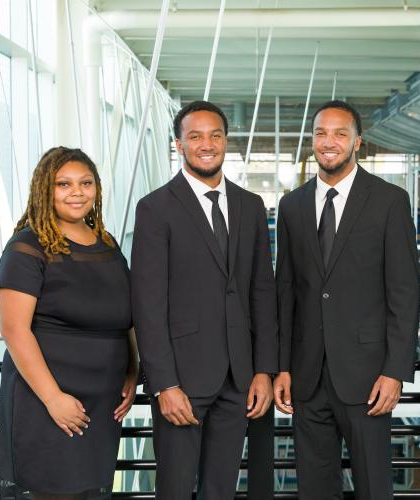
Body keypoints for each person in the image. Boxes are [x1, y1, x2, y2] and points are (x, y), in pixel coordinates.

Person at [131, 100, 278, 500]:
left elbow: (262, 292)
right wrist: (163, 384)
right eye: (195, 136)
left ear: (226, 141)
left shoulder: (250, 206)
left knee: (222, 489)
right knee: (176, 489)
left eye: (215, 135)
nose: (206, 144)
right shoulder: (155, 209)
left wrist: (264, 369)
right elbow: (147, 304)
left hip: (239, 379)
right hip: (182, 378)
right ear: (180, 145)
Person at [273, 100, 420, 500]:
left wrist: (396, 371)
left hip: (369, 377)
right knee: (315, 488)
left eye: (340, 133)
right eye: (321, 133)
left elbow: (405, 292)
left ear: (358, 142)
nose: (329, 141)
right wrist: (282, 367)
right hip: (307, 377)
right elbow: (285, 291)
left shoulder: (389, 201)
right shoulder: (292, 205)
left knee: (373, 486)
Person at [0, 147, 138, 500]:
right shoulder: (27, 247)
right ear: (45, 190)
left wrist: (133, 372)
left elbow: (127, 314)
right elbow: (14, 330)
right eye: (64, 184)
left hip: (102, 403)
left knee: (90, 493)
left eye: (85, 183)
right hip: (47, 401)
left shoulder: (107, 244)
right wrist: (53, 398)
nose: (77, 192)